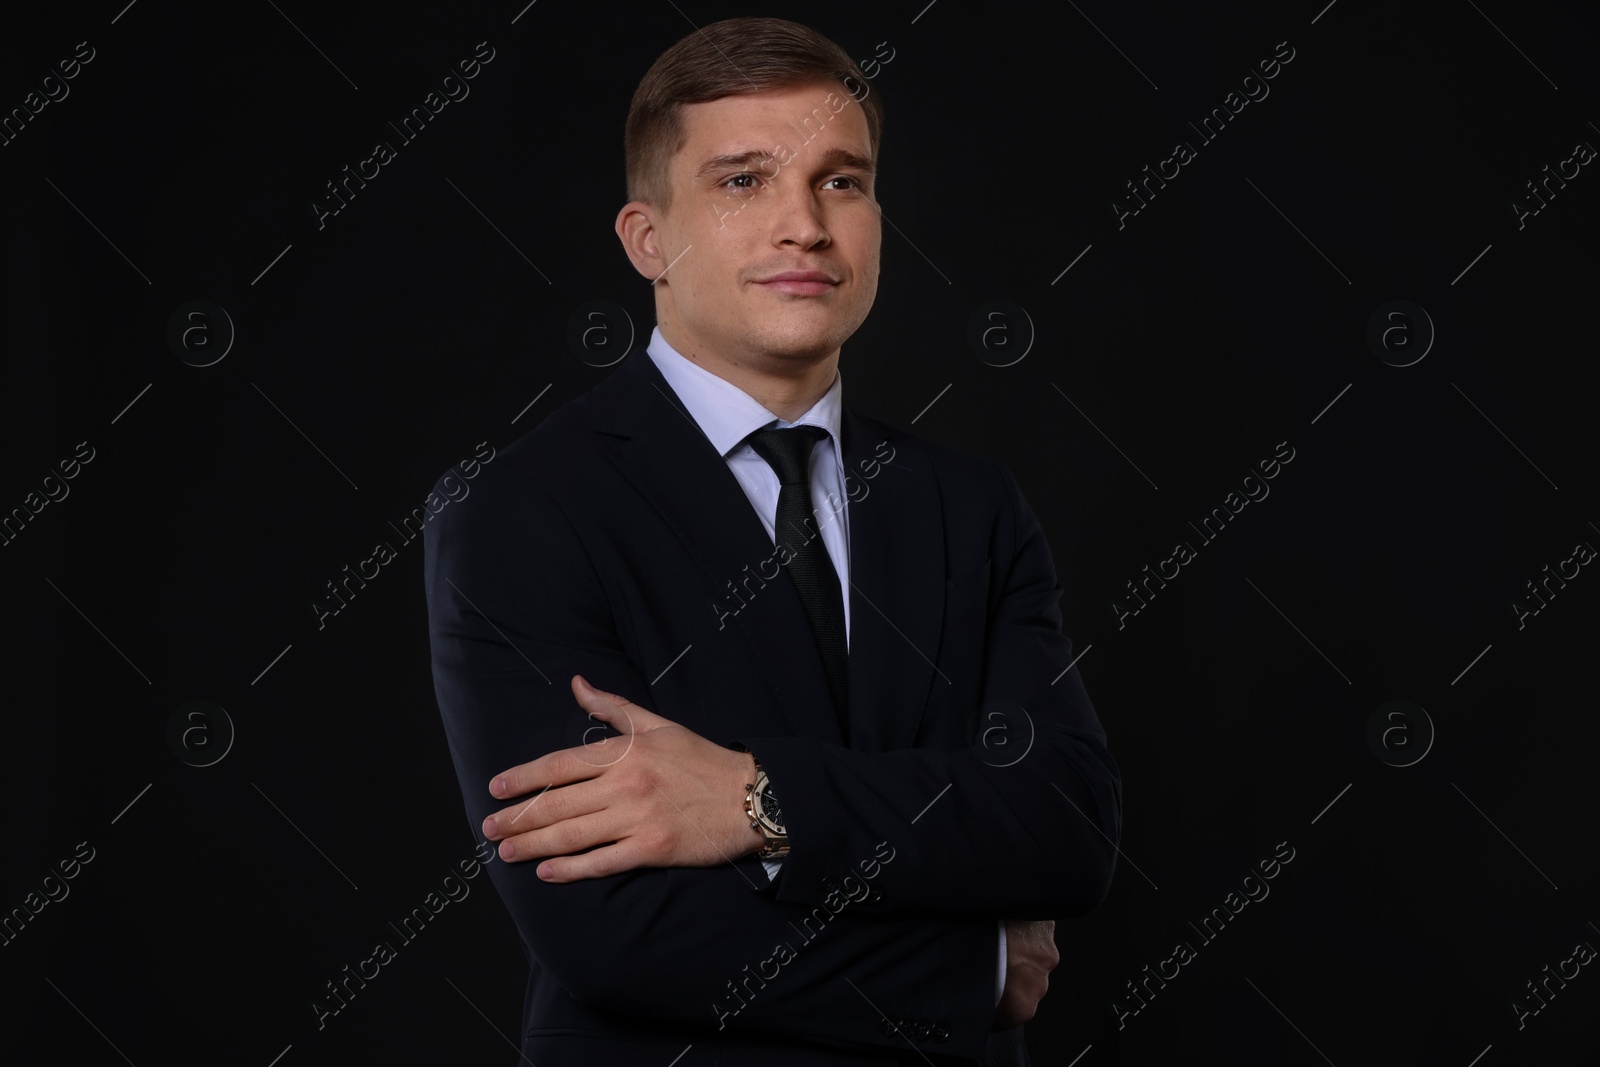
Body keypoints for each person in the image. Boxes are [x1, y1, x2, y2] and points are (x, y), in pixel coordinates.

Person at [424, 16, 1121, 1066]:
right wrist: (972, 968)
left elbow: (1064, 826)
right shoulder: (520, 506)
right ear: (647, 238)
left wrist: (757, 799)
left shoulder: (968, 505)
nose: (804, 224)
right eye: (744, 181)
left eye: (841, 181)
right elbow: (613, 930)